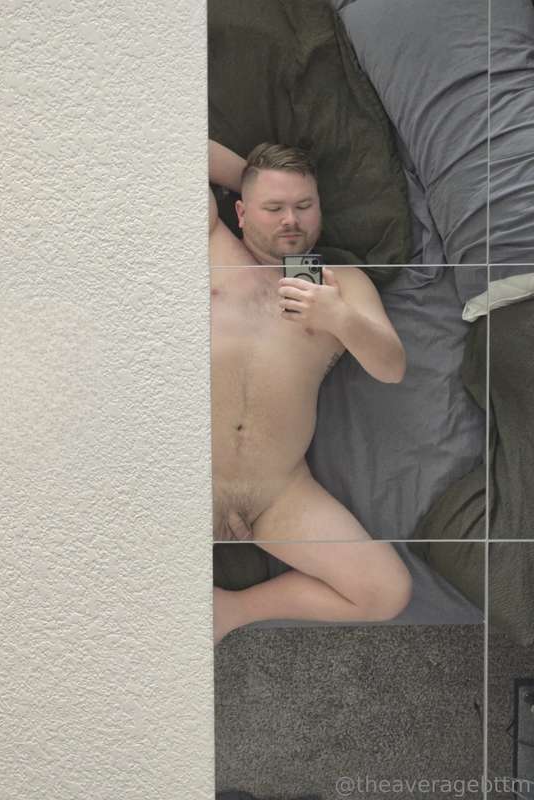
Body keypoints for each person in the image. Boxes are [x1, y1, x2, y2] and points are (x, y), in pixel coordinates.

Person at [209, 139, 412, 645]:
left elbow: (391, 368)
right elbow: (175, 143)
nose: (291, 221)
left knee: (386, 592)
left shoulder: (341, 283)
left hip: (278, 493)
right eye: (273, 208)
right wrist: (251, 176)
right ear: (241, 211)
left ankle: (233, 611)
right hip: (189, 479)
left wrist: (337, 317)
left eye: (304, 206)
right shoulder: (211, 246)